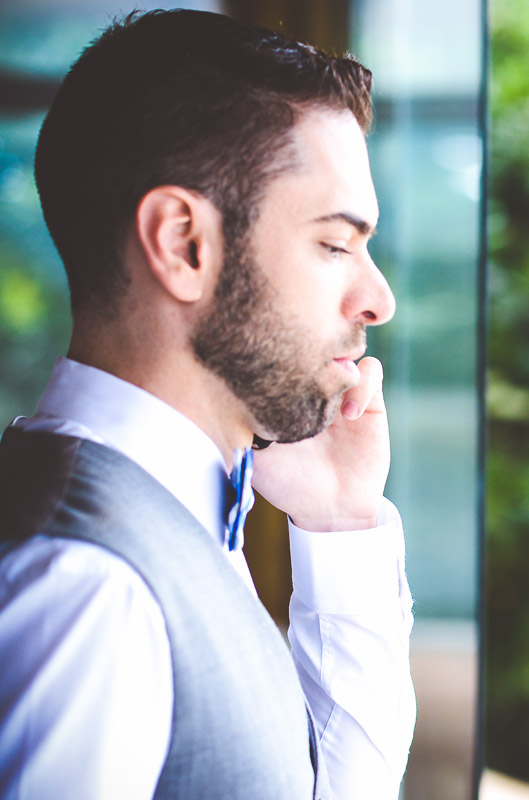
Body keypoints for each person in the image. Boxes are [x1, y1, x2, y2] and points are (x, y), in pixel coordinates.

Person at [0, 10, 415, 799]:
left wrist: (341, 520)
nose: (379, 299)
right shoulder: (86, 590)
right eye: (335, 244)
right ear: (184, 244)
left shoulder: (173, 515)